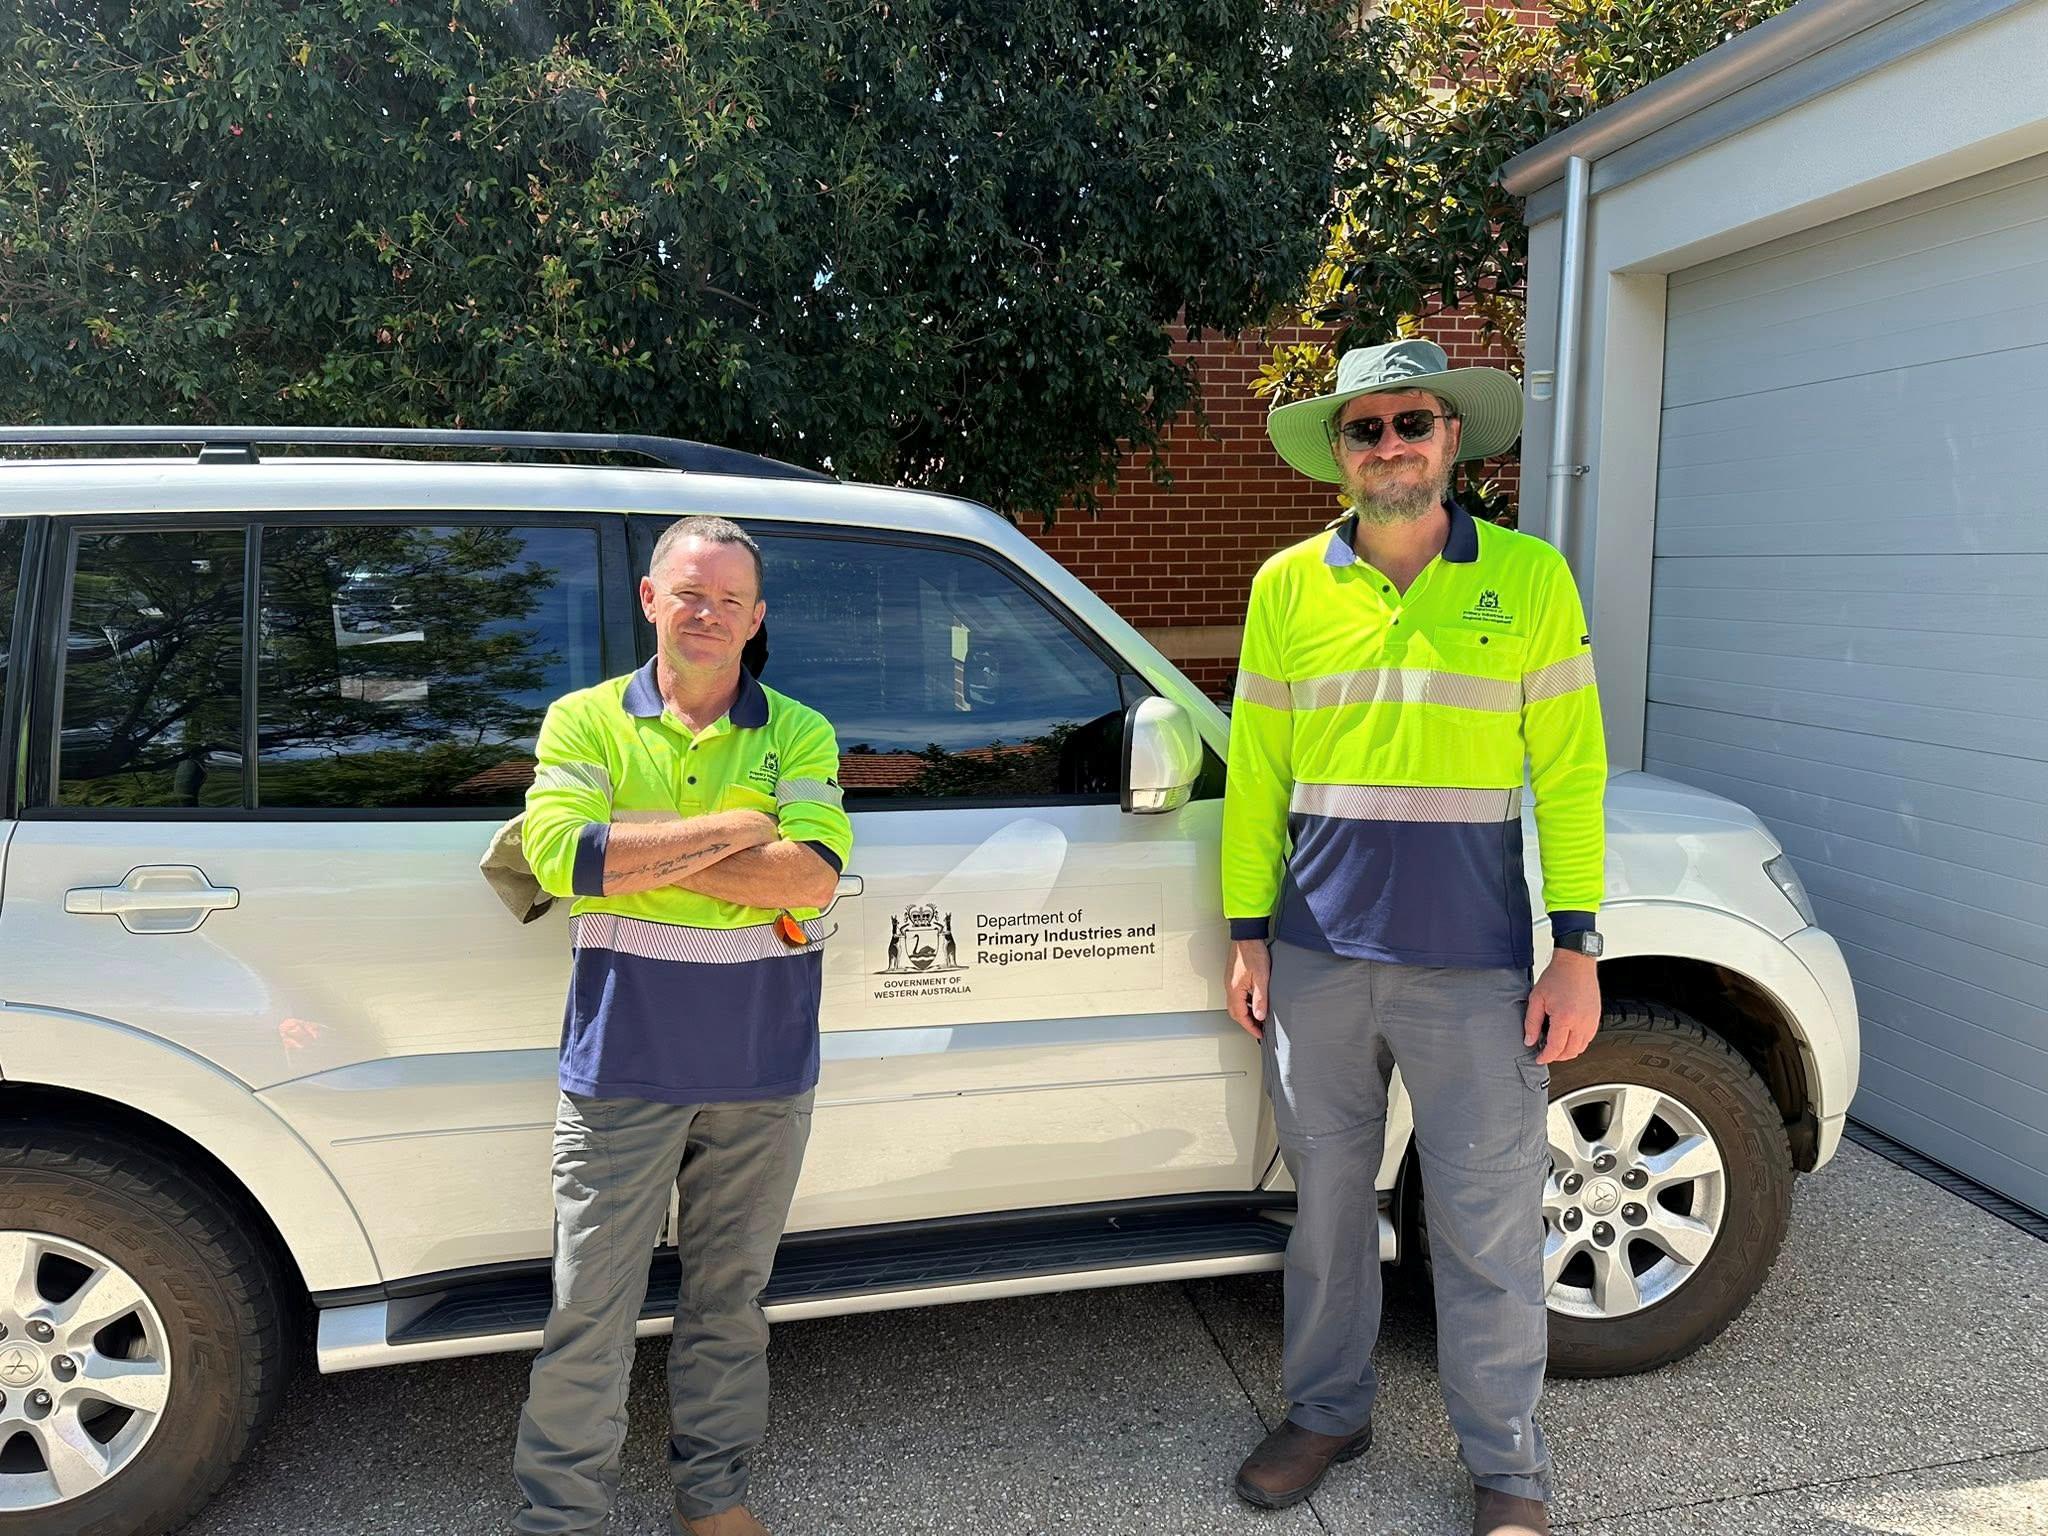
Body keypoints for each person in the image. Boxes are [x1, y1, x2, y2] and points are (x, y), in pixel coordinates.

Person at [1222, 339, 1607, 1536]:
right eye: (1364, 429)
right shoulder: (1286, 585)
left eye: (1411, 423)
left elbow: (1572, 775)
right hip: (1320, 960)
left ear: (1451, 439)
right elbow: (1254, 776)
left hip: (1474, 966)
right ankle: (1326, 1411)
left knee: (1485, 1221)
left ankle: (1506, 1469)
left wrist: (1576, 944)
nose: (1388, 445)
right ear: (1337, 455)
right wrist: (1247, 935)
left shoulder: (1532, 578)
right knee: (1328, 1211)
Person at [510, 516, 852, 1536]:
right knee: (587, 1312)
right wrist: (739, 829)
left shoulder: (799, 730)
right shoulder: (582, 721)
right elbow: (562, 861)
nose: (708, 614)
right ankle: (560, 1516)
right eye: (689, 593)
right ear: (651, 600)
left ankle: (713, 1497)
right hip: (620, 1061)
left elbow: (811, 877)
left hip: (761, 1063)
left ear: (755, 621)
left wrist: (647, 849)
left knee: (727, 1306)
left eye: (729, 601)